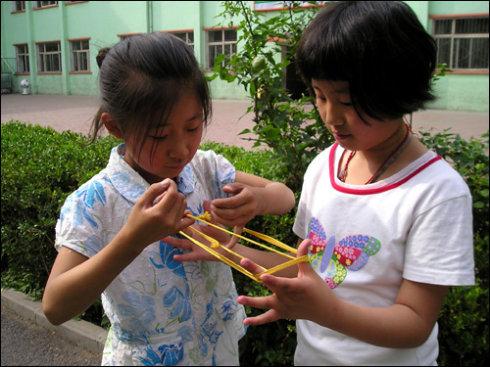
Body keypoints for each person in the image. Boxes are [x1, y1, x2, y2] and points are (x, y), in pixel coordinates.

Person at [168, 2, 475, 365]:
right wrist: (229, 249)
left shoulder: (437, 192)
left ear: (397, 89)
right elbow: (307, 268)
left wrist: (323, 310)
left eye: (346, 100)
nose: (331, 116)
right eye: (319, 95)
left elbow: (415, 323)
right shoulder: (324, 166)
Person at [41, 32, 295, 366]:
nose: (180, 149)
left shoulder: (205, 169)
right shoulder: (96, 202)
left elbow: (285, 196)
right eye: (159, 135)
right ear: (116, 127)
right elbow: (55, 306)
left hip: (218, 352)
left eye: (192, 127)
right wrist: (132, 239)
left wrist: (257, 201)